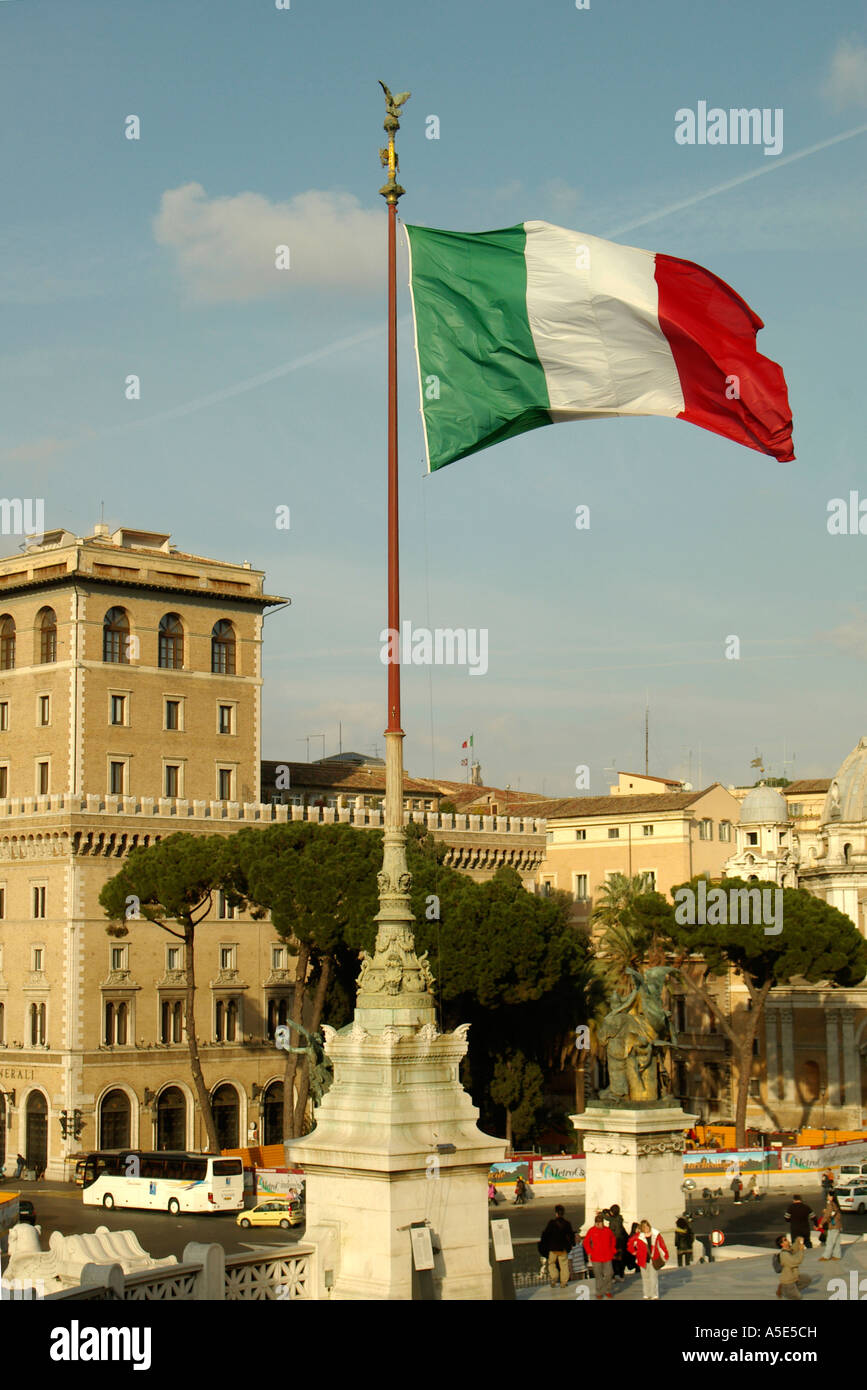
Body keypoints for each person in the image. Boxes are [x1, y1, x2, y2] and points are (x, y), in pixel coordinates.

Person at [627, 1218, 668, 1299]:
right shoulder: (638, 1236)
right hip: (643, 1260)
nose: (646, 1228)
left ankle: (654, 1295)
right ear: (642, 1228)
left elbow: (662, 1245)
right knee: (645, 1278)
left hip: (653, 1259)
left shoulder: (656, 1234)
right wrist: (633, 1252)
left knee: (653, 1278)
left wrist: (665, 1255)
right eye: (644, 1227)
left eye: (647, 1226)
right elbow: (630, 1243)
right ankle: (647, 1294)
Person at [539, 1204, 575, 1289]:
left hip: (553, 1249)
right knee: (564, 1266)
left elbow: (545, 1235)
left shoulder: (551, 1223)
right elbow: (571, 1236)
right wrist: (571, 1245)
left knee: (551, 1264)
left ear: (556, 1213)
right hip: (563, 1249)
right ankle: (563, 1282)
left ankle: (554, 1277)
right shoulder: (567, 1224)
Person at [583, 1212, 617, 1300]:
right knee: (598, 1276)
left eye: (600, 1222)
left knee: (609, 1274)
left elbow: (613, 1239)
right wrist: (589, 1251)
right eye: (597, 1222)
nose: (598, 1224)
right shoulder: (591, 1230)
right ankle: (599, 1292)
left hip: (607, 1256)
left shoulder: (607, 1230)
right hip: (596, 1257)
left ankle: (607, 1290)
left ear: (603, 1222)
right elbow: (586, 1242)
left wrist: (613, 1250)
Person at [776, 1234, 811, 1300]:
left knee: (807, 1279)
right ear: (782, 1244)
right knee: (798, 1298)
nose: (787, 1240)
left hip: (794, 1278)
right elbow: (796, 1262)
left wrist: (798, 1240)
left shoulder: (788, 1250)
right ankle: (784, 1290)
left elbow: (794, 1248)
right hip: (788, 1282)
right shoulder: (784, 1254)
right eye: (785, 1240)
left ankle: (791, 1291)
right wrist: (801, 1250)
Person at [819, 1195, 843, 1262]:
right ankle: (837, 1256)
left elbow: (827, 1215)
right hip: (838, 1225)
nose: (827, 1197)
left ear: (832, 1197)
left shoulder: (830, 1204)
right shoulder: (835, 1204)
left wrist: (821, 1223)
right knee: (836, 1241)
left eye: (829, 1196)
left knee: (830, 1241)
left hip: (833, 1226)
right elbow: (834, 1213)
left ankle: (826, 1256)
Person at [607, 1203, 628, 1280]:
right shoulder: (619, 1219)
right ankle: (621, 1275)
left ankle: (615, 1275)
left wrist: (603, 1212)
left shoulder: (613, 1220)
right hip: (620, 1242)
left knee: (614, 1260)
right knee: (619, 1260)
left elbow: (605, 1216)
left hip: (615, 1242)